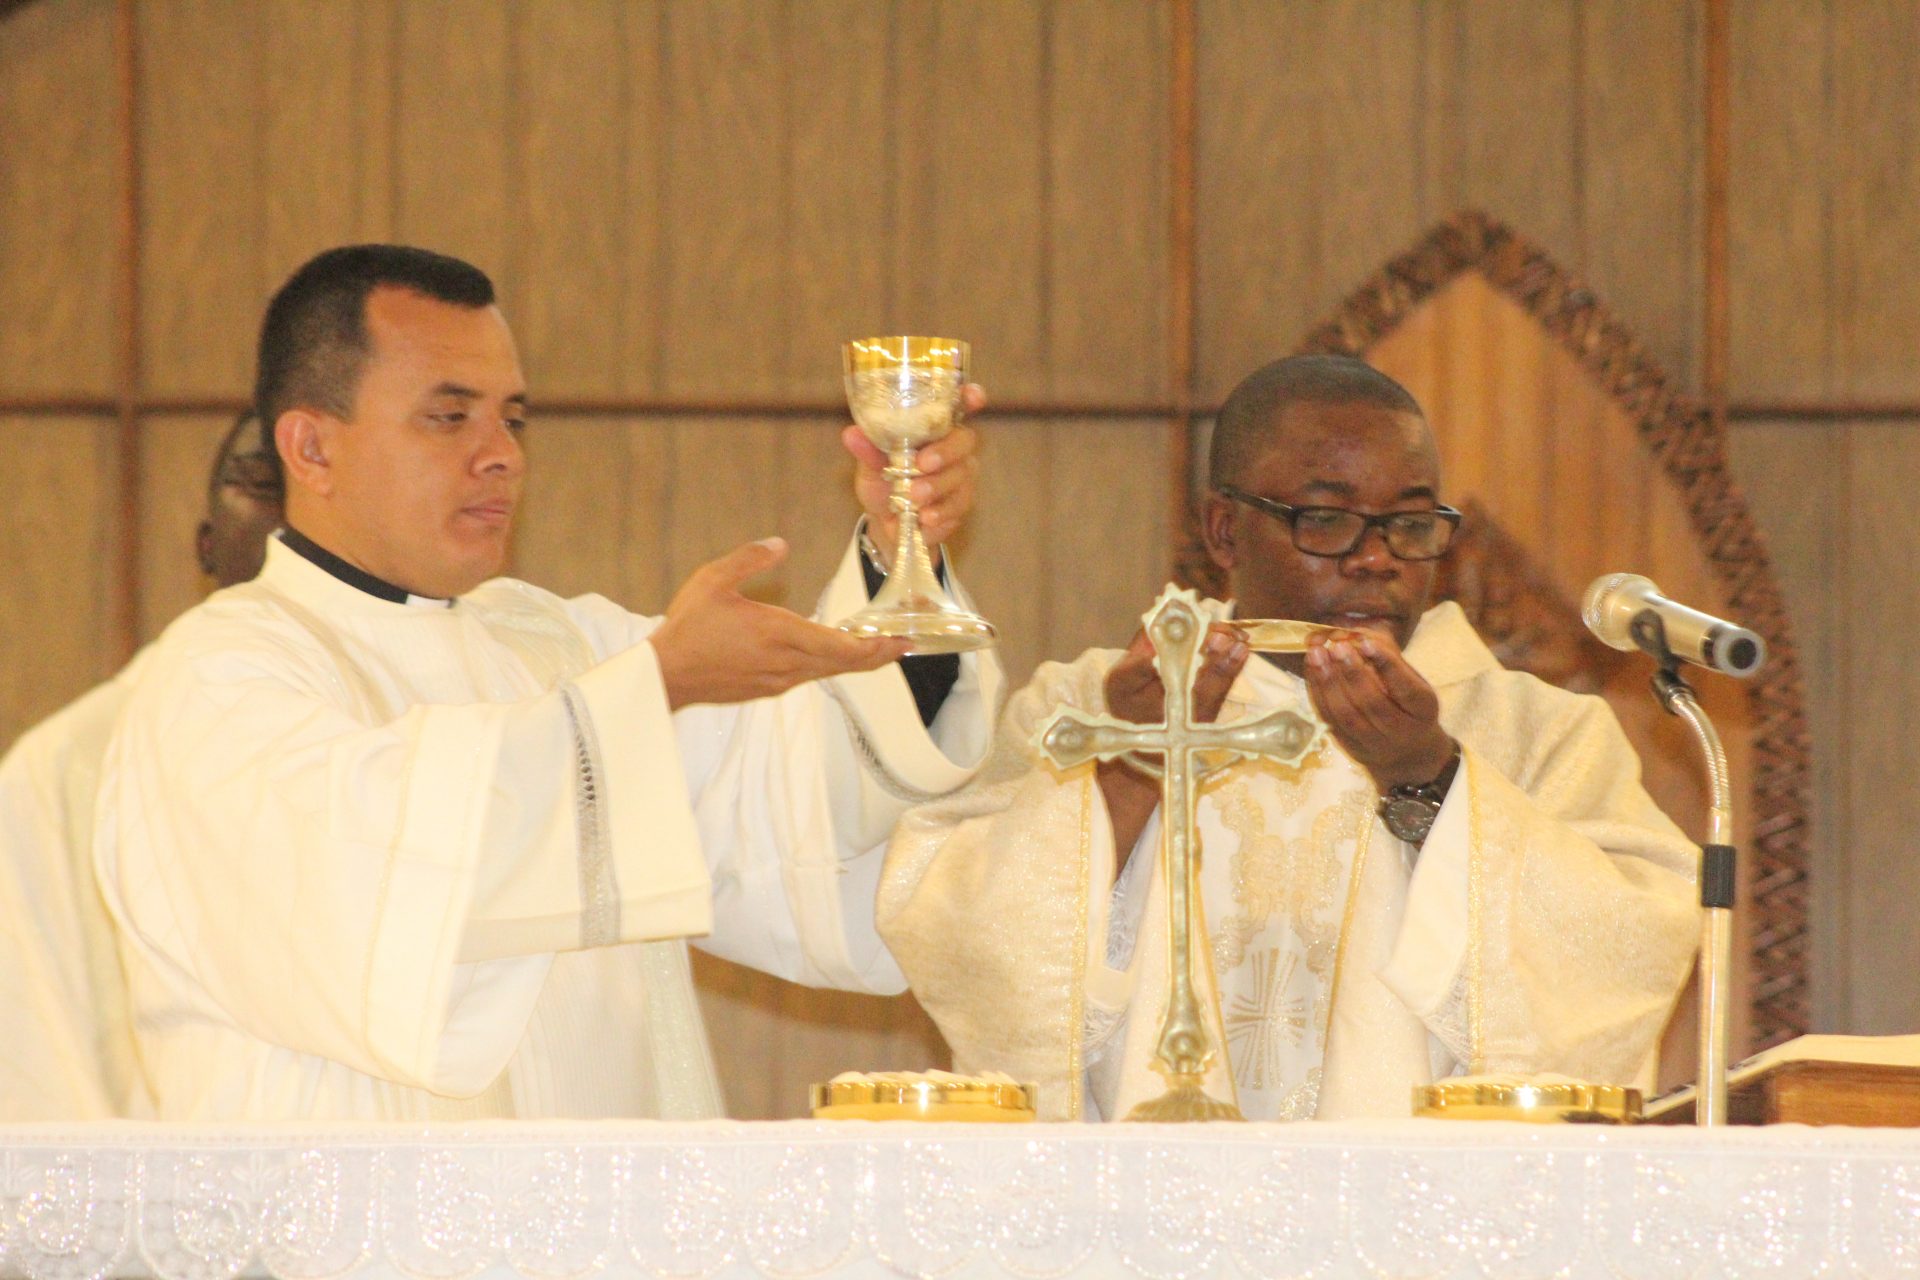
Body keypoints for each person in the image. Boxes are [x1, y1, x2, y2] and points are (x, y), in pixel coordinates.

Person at [95, 244, 1000, 1120]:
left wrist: (895, 561)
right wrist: (653, 689)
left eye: (513, 419)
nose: (502, 455)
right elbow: (389, 887)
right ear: (312, 448)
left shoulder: (562, 647)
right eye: (450, 417)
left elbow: (798, 813)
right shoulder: (218, 678)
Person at [879, 354, 1697, 1122]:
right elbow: (961, 935)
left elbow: (1628, 950)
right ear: (1226, 531)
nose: (1378, 559)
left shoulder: (1535, 731)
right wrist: (1131, 767)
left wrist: (1430, 780)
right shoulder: (1091, 704)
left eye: (1410, 524)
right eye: (1328, 519)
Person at [0, 413, 284, 1120]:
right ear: (206, 545)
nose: (290, 520)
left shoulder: (413, 744)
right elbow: (33, 1044)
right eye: (261, 483)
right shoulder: (66, 768)